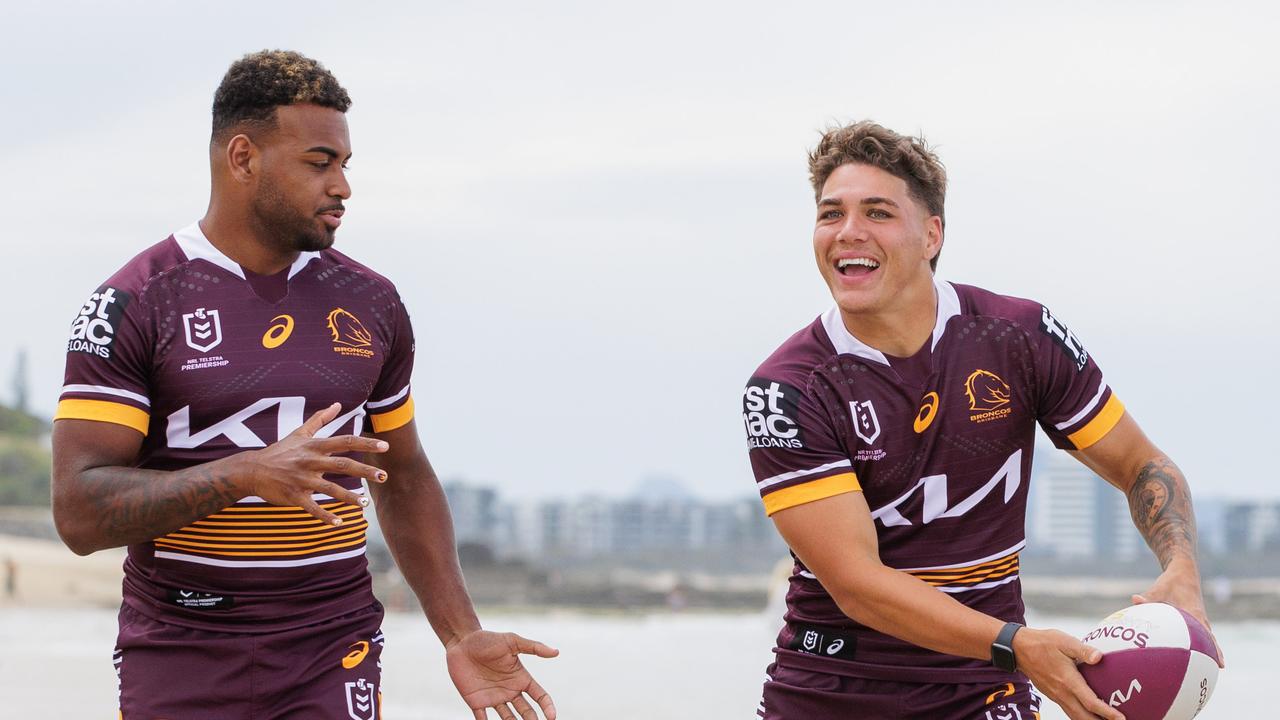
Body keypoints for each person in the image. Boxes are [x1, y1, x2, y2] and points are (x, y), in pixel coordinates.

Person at [51, 50, 556, 720]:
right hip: (180, 650)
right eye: (321, 163)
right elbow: (79, 514)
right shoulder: (136, 303)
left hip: (332, 648)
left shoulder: (372, 303)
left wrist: (460, 631)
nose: (343, 186)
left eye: (345, 165)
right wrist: (245, 474)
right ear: (243, 158)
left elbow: (401, 476)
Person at [741, 121, 1221, 720]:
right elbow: (856, 583)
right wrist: (1018, 646)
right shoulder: (788, 388)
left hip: (984, 689)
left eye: (878, 213)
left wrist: (1181, 566)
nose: (849, 233)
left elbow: (1140, 463)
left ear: (931, 235)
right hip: (832, 690)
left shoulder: (1018, 337)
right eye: (830, 213)